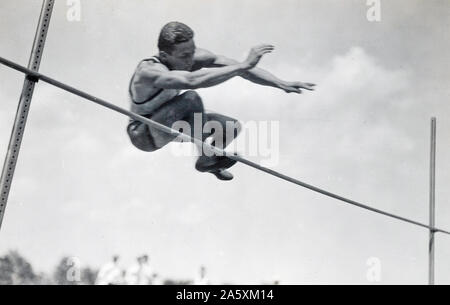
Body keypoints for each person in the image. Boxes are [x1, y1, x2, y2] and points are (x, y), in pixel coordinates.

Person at [127, 22, 315, 181]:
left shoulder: (192, 58)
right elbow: (190, 81)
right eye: (184, 56)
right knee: (191, 99)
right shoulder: (149, 72)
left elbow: (239, 68)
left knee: (230, 127)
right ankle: (207, 156)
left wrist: (279, 83)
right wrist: (244, 64)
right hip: (144, 134)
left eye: (192, 52)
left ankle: (208, 164)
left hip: (171, 123)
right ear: (164, 55)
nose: (190, 60)